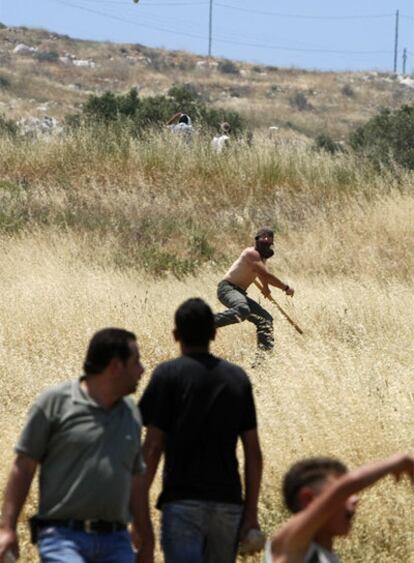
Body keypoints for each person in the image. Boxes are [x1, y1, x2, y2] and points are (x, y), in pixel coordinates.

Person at [0, 328, 149, 563]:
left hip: (117, 542)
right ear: (115, 367)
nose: (142, 370)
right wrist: (7, 528)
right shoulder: (54, 403)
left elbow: (137, 479)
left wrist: (147, 539)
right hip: (63, 538)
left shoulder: (130, 412)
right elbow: (23, 467)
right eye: (136, 362)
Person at [137, 298, 263, 563]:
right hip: (227, 501)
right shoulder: (237, 378)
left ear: (175, 335)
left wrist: (136, 508)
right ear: (215, 333)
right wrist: (250, 513)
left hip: (181, 500)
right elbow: (253, 452)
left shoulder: (167, 375)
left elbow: (153, 446)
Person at [264, 453, 414, 563]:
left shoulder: (326, 557)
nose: (355, 499)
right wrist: (401, 461)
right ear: (308, 499)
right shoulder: (288, 544)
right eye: (345, 494)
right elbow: (348, 484)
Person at [214, 226, 294, 353]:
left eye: (269, 236)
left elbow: (262, 274)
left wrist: (266, 288)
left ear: (272, 242)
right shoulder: (251, 253)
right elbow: (267, 274)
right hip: (227, 289)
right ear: (257, 239)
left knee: (265, 320)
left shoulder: (261, 258)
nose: (266, 238)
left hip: (239, 292)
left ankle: (263, 361)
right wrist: (285, 287)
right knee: (242, 309)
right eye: (263, 236)